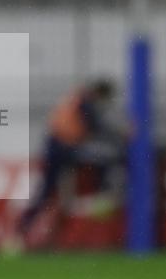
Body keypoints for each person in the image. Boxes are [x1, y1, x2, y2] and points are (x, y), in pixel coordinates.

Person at [15, 79, 128, 245]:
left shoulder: (75, 98)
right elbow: (96, 126)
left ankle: (20, 234)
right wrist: (123, 133)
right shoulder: (86, 103)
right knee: (110, 158)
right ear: (101, 94)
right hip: (66, 149)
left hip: (54, 148)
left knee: (46, 193)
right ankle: (102, 195)